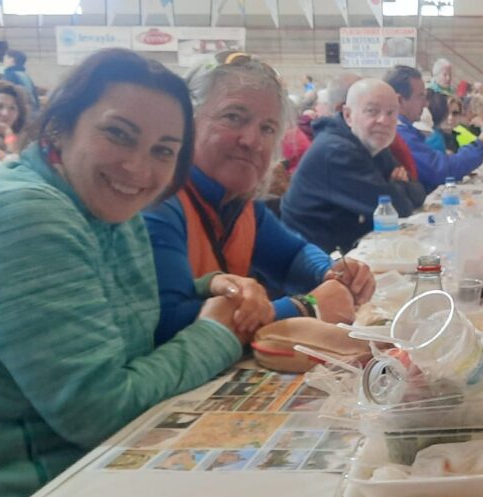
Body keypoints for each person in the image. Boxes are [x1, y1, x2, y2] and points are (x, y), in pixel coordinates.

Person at [0, 48, 245, 497]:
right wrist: (219, 333)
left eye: (163, 151)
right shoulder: (25, 213)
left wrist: (209, 289)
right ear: (59, 127)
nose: (138, 167)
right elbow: (99, 411)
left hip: (63, 491)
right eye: (118, 134)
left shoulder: (104, 206)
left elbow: (110, 312)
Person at [143, 51, 376, 346]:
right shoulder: (159, 202)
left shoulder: (240, 205)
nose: (252, 141)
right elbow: (166, 326)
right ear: (187, 122)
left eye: (267, 128)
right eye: (233, 117)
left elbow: (293, 255)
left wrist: (332, 271)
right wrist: (304, 307)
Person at [281, 79, 427, 253]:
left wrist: (394, 188)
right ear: (348, 115)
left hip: (346, 249)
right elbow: (398, 208)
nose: (384, 120)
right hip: (311, 259)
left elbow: (419, 194)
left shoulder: (372, 143)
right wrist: (399, 184)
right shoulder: (336, 151)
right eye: (372, 111)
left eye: (391, 113)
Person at [387, 65, 483, 191]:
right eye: (420, 96)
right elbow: (439, 170)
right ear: (400, 100)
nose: (425, 103)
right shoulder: (402, 135)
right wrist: (481, 144)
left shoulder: (405, 131)